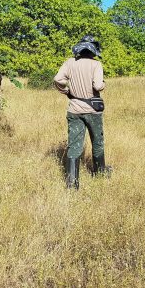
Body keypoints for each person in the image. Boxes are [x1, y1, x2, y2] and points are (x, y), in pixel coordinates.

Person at [54, 35, 112, 189]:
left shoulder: (70, 62)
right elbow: (98, 86)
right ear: (93, 49)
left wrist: (66, 91)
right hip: (93, 110)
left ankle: (72, 183)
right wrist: (103, 84)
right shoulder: (96, 64)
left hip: (74, 109)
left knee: (74, 145)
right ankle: (100, 172)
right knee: (97, 142)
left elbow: (58, 79)